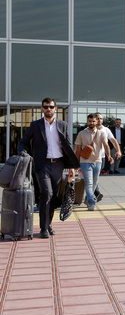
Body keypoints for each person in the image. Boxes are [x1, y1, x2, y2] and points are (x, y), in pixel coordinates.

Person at [18, 98, 80, 238]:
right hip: (42, 165)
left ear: (55, 108)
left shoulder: (63, 125)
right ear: (42, 109)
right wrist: (23, 153)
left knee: (54, 197)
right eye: (46, 107)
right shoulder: (36, 125)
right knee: (46, 194)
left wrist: (72, 166)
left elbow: (68, 147)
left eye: (51, 107)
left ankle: (48, 225)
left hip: (58, 164)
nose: (48, 109)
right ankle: (43, 228)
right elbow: (23, 142)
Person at [74, 113, 113, 211]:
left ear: (97, 122)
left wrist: (109, 156)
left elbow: (106, 145)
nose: (91, 123)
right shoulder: (81, 133)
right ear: (87, 121)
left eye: (93, 121)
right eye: (90, 121)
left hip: (98, 161)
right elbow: (78, 148)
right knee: (89, 182)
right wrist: (76, 161)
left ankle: (87, 199)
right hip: (85, 161)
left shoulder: (101, 133)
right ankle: (91, 202)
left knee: (95, 182)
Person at [92, 113, 122, 204]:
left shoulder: (106, 130)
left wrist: (118, 150)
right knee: (92, 177)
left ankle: (94, 193)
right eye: (97, 118)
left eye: (101, 118)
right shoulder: (88, 129)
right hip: (90, 157)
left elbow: (113, 140)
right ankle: (95, 194)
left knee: (95, 177)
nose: (99, 120)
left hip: (102, 157)